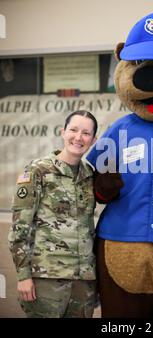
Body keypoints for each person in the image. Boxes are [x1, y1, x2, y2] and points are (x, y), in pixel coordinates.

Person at [8, 110, 98, 318]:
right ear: (62, 132)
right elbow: (19, 228)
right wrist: (23, 276)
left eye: (86, 133)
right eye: (73, 130)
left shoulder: (90, 175)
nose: (78, 137)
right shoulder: (38, 171)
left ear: (93, 140)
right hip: (46, 279)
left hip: (83, 282)